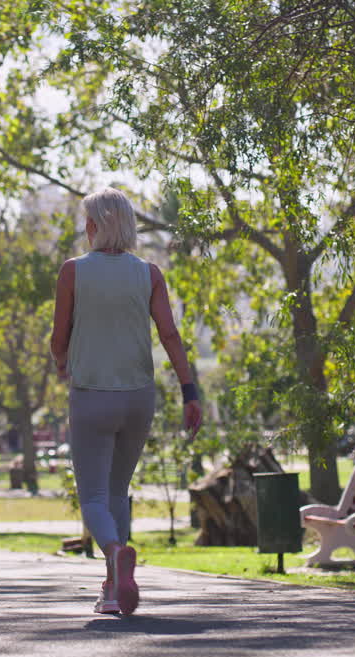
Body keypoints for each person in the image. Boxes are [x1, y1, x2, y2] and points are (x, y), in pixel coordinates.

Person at [50, 187, 202, 616]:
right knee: (118, 491)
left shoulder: (72, 272)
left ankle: (116, 553)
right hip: (139, 398)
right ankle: (115, 590)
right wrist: (190, 391)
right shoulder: (149, 273)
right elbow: (169, 336)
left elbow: (59, 337)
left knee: (93, 499)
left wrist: (62, 360)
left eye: (87, 221)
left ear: (95, 226)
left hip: (92, 396)